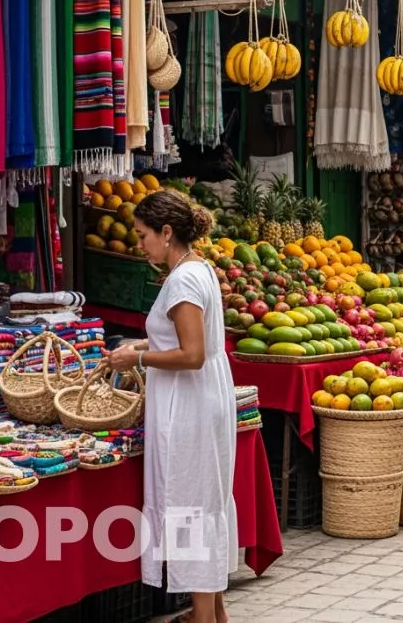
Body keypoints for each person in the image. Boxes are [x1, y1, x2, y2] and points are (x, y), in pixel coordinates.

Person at [106, 190, 238, 623]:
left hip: (190, 404)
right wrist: (147, 342)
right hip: (206, 397)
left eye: (143, 235)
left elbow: (192, 353)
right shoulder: (199, 267)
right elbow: (188, 339)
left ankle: (201, 618)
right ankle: (214, 613)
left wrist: (137, 357)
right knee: (203, 502)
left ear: (166, 233)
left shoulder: (182, 279)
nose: (139, 244)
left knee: (189, 505)